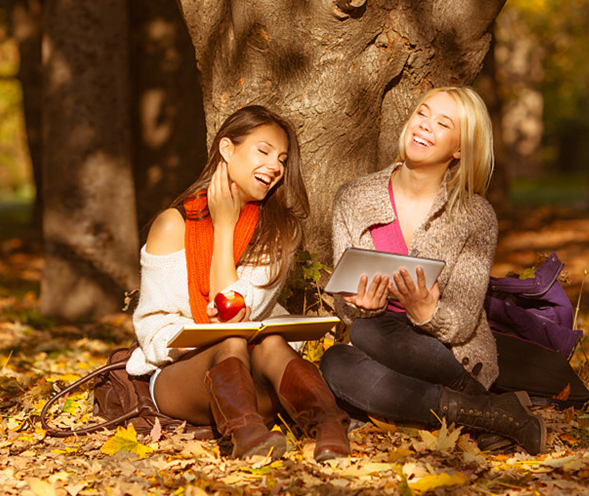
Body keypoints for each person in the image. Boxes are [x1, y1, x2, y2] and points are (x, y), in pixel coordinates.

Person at [319, 86, 547, 455]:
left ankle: (467, 402)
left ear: (459, 149)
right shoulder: (354, 197)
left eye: (442, 123)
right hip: (375, 348)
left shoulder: (476, 216)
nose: (424, 126)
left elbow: (464, 322)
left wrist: (427, 312)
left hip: (448, 355)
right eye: (422, 114)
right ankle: (491, 414)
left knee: (370, 335)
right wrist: (361, 306)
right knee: (338, 359)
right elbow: (346, 305)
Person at [125, 105, 351, 462]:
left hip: (257, 381)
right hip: (178, 379)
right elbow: (152, 330)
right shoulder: (173, 225)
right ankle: (246, 436)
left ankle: (329, 426)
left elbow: (232, 309)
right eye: (263, 151)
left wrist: (225, 227)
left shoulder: (279, 231)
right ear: (227, 150)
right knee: (230, 342)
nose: (275, 167)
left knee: (268, 341)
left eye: (281, 159)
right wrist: (200, 335)